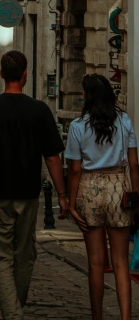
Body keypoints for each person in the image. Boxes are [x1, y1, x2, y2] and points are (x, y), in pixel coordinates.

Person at [0, 50, 68, 320]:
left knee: (0, 257)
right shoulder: (39, 110)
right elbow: (53, 158)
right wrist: (62, 194)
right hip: (28, 195)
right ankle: (15, 312)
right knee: (24, 255)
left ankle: (13, 315)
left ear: (2, 75)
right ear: (25, 74)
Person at [66, 73, 139, 320]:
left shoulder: (77, 126)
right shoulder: (125, 121)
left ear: (87, 96)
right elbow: (134, 163)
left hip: (90, 188)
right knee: (120, 261)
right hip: (119, 186)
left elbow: (75, 169)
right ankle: (126, 317)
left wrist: (71, 202)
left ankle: (97, 316)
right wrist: (135, 196)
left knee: (96, 263)